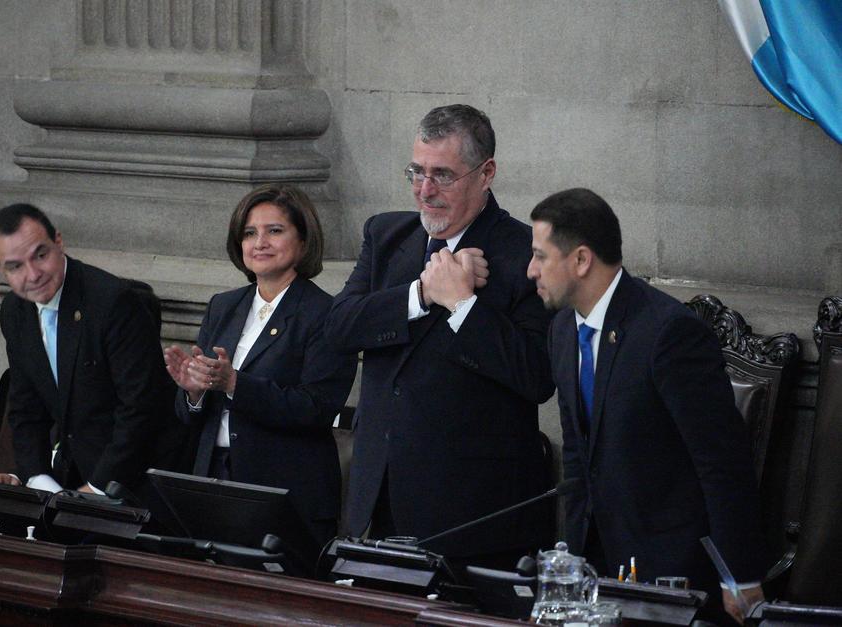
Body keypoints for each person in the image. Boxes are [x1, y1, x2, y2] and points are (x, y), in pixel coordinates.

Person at [324, 104, 555, 569]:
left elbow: (537, 376)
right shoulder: (387, 234)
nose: (425, 191)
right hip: (380, 499)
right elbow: (338, 328)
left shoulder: (526, 253)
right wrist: (423, 292)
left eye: (443, 175)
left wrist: (464, 305)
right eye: (417, 172)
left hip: (476, 518)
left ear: (486, 173)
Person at [527, 188, 767, 624]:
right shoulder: (562, 330)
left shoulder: (668, 332)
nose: (531, 271)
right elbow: (580, 459)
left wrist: (740, 575)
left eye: (541, 256)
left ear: (581, 260)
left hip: (671, 573)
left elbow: (722, 462)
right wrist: (571, 565)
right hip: (597, 570)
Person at [164, 184, 357, 545]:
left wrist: (235, 383)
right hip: (214, 478)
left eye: (275, 231)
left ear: (303, 241)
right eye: (250, 233)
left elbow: (314, 407)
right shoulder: (223, 305)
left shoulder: (326, 314)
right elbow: (190, 415)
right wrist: (193, 392)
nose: (259, 242)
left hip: (285, 491)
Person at [0, 203, 177, 494]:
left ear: (59, 242)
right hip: (68, 478)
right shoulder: (14, 310)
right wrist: (35, 479)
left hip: (133, 482)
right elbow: (26, 408)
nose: (33, 274)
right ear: (1, 271)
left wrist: (97, 488)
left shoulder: (113, 301)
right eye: (15, 266)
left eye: (40, 255)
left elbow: (141, 408)